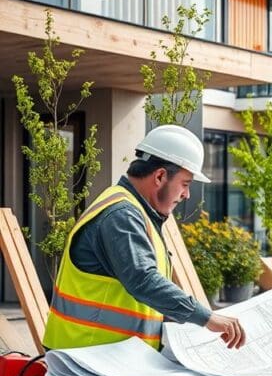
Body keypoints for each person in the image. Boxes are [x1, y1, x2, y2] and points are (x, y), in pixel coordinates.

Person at [43, 125, 246, 351]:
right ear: (159, 176)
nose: (187, 194)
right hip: (84, 361)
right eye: (185, 184)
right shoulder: (122, 215)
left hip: (106, 358)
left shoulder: (137, 212)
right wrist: (206, 318)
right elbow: (143, 280)